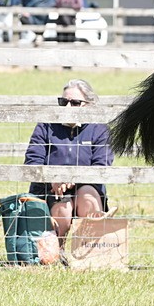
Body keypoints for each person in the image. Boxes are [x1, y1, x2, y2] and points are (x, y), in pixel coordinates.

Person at [24, 79, 113, 245]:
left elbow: (102, 165)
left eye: (75, 103)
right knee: (62, 205)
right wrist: (53, 178)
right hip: (49, 189)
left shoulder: (99, 129)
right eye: (63, 102)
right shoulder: (46, 125)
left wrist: (73, 179)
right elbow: (32, 161)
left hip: (86, 187)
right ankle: (57, 250)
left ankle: (90, 251)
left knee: (87, 195)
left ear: (89, 105)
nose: (68, 108)